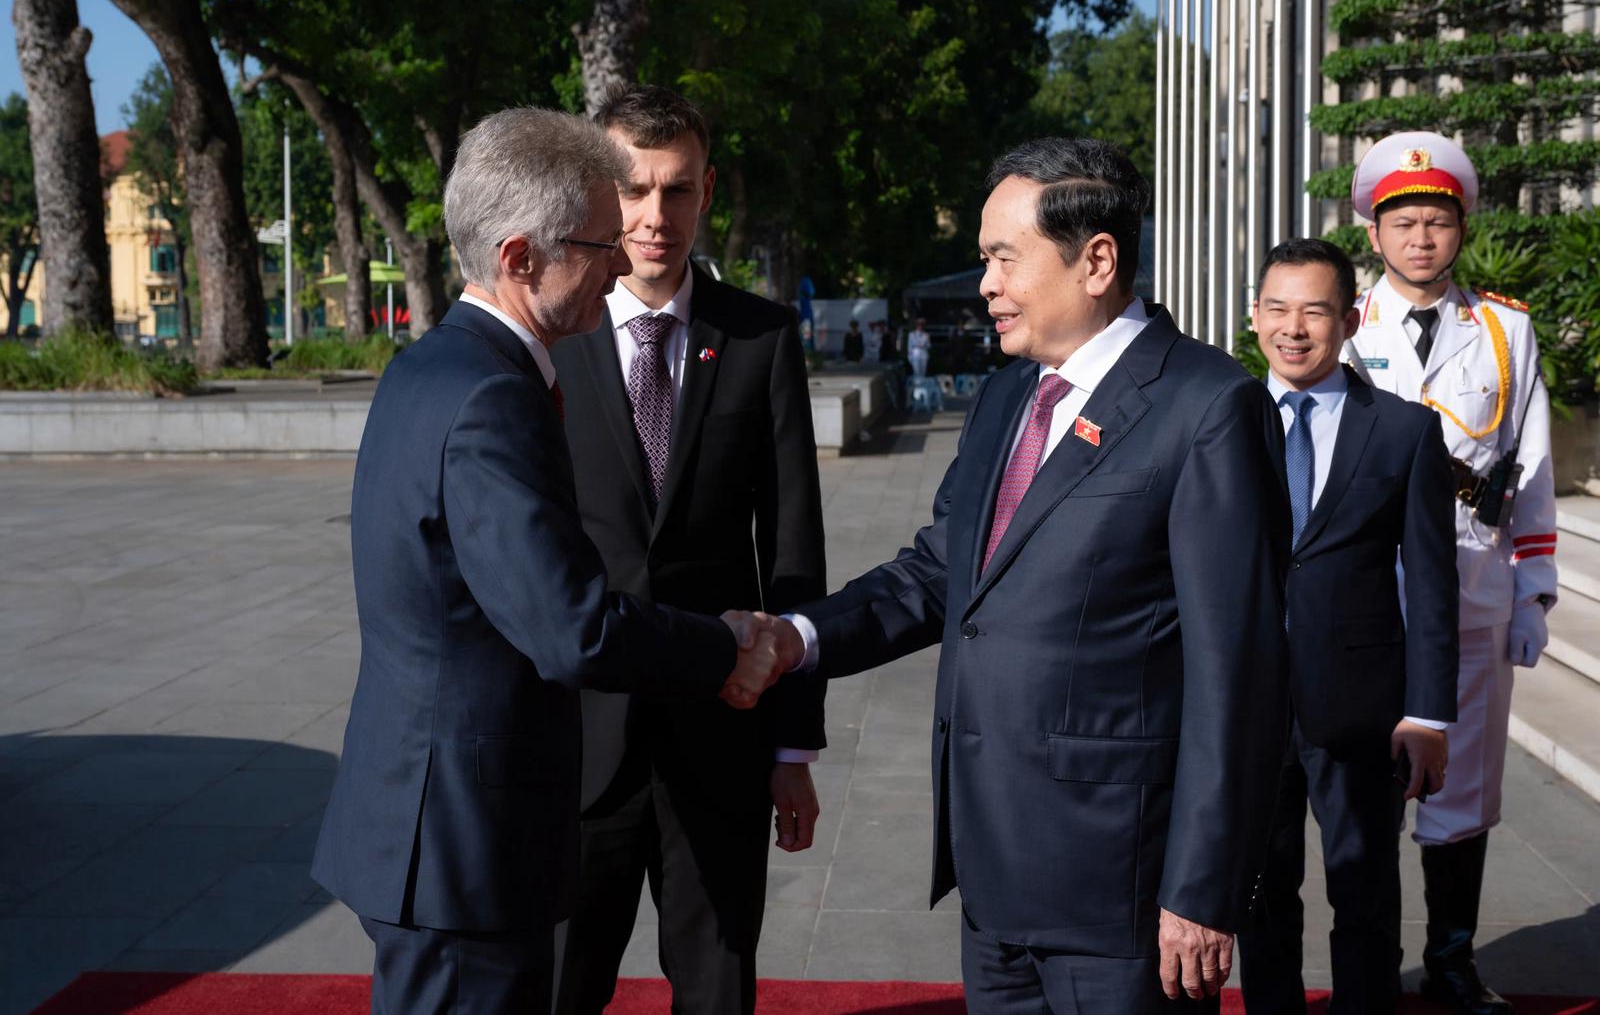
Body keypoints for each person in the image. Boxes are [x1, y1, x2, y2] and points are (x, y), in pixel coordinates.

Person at [758, 138, 1292, 1013]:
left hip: (1120, 892)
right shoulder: (1008, 394)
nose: (986, 285)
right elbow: (939, 573)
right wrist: (797, 637)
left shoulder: (1208, 406)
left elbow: (1240, 674)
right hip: (992, 872)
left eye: (1005, 259)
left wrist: (1202, 887)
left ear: (1097, 261)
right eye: (984, 260)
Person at [310, 107, 786, 1015]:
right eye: (601, 243)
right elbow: (571, 627)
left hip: (432, 826)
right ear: (521, 256)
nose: (621, 264)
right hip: (461, 846)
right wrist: (725, 645)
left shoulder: (429, 368)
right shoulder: (492, 397)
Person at [549, 85, 829, 1015]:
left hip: (722, 732)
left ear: (706, 191)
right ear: (601, 192)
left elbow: (794, 556)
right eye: (634, 189)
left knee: (716, 988)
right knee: (560, 983)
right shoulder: (551, 342)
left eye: (676, 189)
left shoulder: (762, 339)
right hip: (579, 738)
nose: (654, 216)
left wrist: (793, 743)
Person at [1344, 132, 1557, 1015]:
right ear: (1374, 234)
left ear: (1461, 228)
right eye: (1404, 223)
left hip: (1472, 584)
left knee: (1463, 786)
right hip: (1369, 589)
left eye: (1436, 221)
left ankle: (1453, 959)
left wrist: (1534, 589)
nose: (1421, 238)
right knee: (1365, 786)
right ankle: (1370, 963)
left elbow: (1530, 463)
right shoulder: (1343, 324)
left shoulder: (1506, 331)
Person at [1235, 238, 1459, 1014]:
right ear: (1254, 315)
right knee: (1260, 894)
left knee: (1365, 894)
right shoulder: (1219, 421)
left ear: (1351, 319)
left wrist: (1428, 714)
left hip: (1362, 706)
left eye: (1315, 310)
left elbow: (1433, 582)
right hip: (1247, 702)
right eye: (1277, 308)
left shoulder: (1403, 430)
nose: (1293, 328)